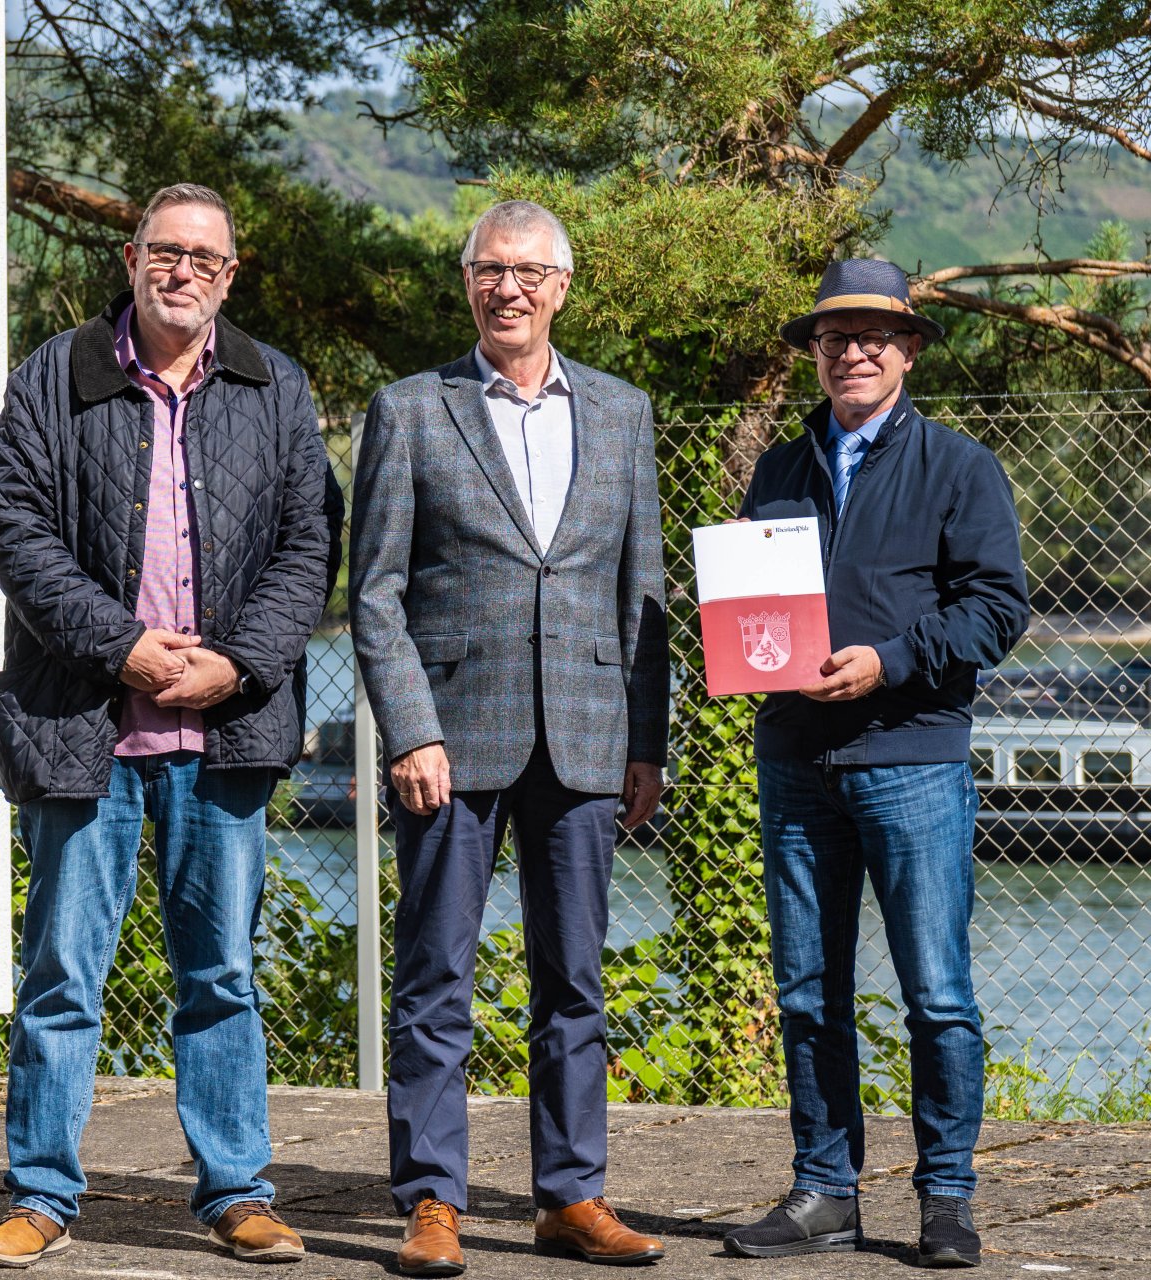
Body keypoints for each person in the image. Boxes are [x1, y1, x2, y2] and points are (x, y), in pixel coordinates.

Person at [0, 184, 332, 1269]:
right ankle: (41, 1193)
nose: (183, 270)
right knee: (61, 975)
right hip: (83, 725)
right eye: (165, 252)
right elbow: (15, 526)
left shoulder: (274, 387)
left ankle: (236, 1188)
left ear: (231, 274)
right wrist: (118, 644)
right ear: (131, 259)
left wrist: (238, 661)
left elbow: (310, 544)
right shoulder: (53, 376)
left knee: (220, 972)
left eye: (205, 258)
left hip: (222, 735)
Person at [350, 200, 670, 1276]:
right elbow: (378, 593)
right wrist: (410, 727)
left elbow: (644, 596)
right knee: (437, 974)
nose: (510, 288)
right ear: (468, 282)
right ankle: (433, 1197)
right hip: (449, 741)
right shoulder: (409, 410)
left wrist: (647, 742)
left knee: (574, 977)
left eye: (530, 272)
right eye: (491, 269)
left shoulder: (624, 414)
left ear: (564, 287)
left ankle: (572, 1194)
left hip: (584, 736)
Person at [723, 258, 1029, 1269]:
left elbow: (997, 608)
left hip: (912, 758)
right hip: (797, 760)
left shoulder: (960, 467)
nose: (851, 350)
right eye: (832, 336)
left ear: (905, 352)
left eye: (872, 335)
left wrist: (890, 660)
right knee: (807, 991)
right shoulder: (777, 469)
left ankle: (946, 1195)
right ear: (815, 353)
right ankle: (824, 1190)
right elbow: (755, 613)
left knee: (937, 992)